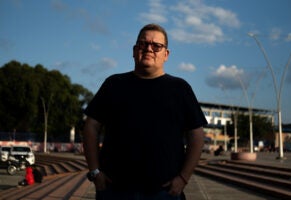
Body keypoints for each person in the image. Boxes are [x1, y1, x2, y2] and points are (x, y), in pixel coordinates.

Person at [83, 23, 208, 200]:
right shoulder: (114, 84)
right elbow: (91, 126)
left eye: (156, 46)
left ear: (166, 54)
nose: (149, 49)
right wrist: (95, 171)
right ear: (134, 51)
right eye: (143, 44)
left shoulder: (180, 89)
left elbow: (197, 135)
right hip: (114, 190)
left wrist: (183, 178)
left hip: (164, 192)